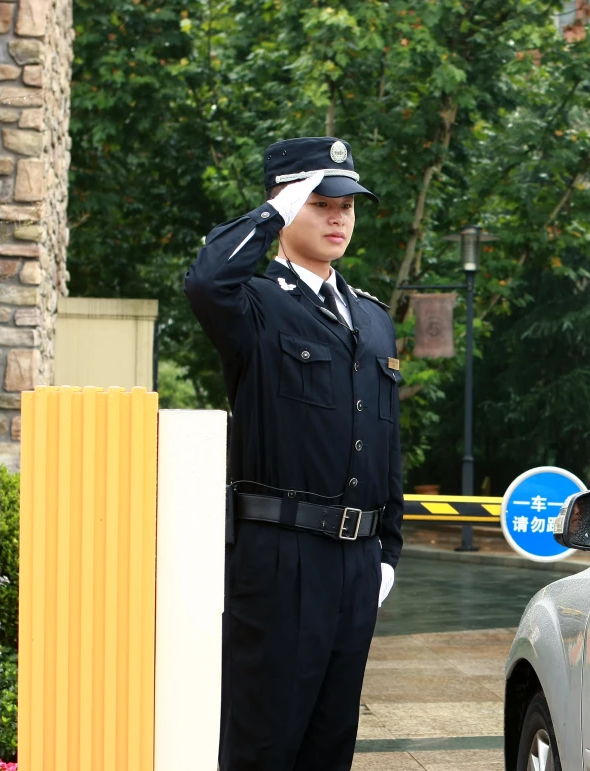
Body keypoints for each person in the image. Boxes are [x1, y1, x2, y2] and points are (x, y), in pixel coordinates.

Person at [184, 136, 404, 771]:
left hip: (355, 565)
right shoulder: (257, 305)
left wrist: (386, 552)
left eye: (348, 205)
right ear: (287, 203)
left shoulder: (373, 318)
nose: (338, 216)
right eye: (321, 201)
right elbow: (205, 280)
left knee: (329, 748)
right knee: (264, 746)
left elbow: (386, 441)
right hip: (280, 560)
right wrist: (275, 211)